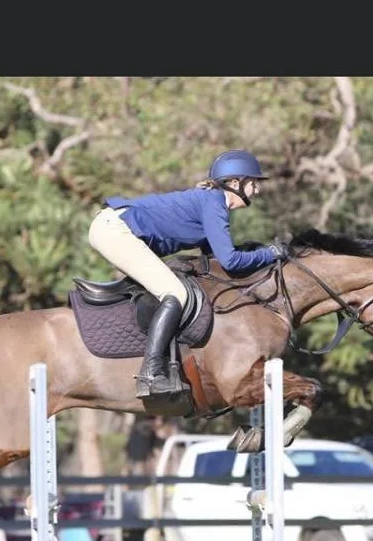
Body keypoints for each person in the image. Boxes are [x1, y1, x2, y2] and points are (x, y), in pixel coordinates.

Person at [88, 150, 288, 398]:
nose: (257, 190)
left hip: (113, 226)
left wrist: (256, 253)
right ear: (235, 183)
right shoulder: (214, 203)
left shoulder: (211, 202)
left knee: (173, 289)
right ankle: (150, 375)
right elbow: (230, 261)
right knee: (176, 293)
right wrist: (270, 254)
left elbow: (216, 262)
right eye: (253, 183)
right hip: (115, 229)